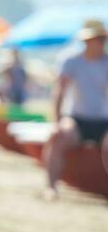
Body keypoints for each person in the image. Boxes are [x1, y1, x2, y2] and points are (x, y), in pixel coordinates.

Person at [44, 19, 108, 198]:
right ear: (87, 41)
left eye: (103, 39)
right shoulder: (72, 61)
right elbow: (59, 91)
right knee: (58, 136)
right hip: (77, 118)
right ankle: (51, 187)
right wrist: (56, 121)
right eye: (99, 39)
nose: (102, 43)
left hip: (104, 120)